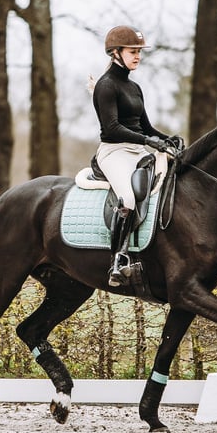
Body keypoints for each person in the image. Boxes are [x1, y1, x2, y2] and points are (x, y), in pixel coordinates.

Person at [92, 25, 173, 287]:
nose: (137, 56)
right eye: (132, 51)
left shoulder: (134, 87)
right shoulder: (105, 86)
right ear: (115, 52)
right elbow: (112, 128)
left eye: (139, 51)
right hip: (114, 152)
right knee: (127, 197)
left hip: (138, 150)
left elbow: (145, 127)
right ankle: (119, 259)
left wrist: (165, 139)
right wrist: (149, 141)